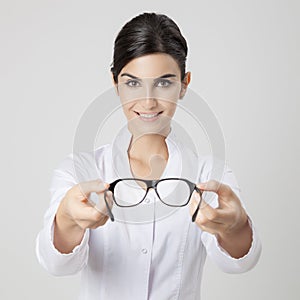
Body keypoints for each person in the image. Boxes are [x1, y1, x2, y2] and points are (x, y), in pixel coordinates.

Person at [36, 12, 262, 299]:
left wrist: (236, 225)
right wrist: (67, 219)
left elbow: (240, 263)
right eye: (132, 83)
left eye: (164, 83)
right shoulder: (79, 170)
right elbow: (57, 264)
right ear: (115, 83)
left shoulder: (210, 175)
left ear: (184, 84)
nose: (148, 101)